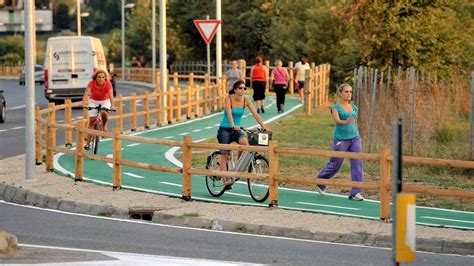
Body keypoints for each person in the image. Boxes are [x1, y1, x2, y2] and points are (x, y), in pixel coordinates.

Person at [315, 84, 365, 201]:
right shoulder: (335, 108)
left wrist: (358, 133)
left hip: (355, 138)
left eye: (350, 92)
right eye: (346, 92)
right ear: (340, 93)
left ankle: (356, 192)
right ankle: (320, 181)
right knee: (336, 163)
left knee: (357, 163)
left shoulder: (354, 107)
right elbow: (337, 121)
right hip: (341, 139)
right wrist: (346, 121)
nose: (349, 94)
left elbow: (355, 122)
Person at [217, 80, 270, 188]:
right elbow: (229, 113)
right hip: (225, 129)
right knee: (225, 154)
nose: (242, 90)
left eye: (244, 88)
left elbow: (255, 114)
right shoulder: (229, 99)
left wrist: (264, 126)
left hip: (236, 129)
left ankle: (237, 167)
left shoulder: (246, 100)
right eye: (240, 88)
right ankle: (225, 180)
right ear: (235, 89)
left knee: (245, 144)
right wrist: (232, 125)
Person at [81, 69, 116, 150]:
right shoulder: (91, 83)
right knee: (91, 122)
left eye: (102, 77)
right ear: (95, 78)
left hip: (105, 101)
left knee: (104, 112)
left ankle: (104, 125)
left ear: (105, 78)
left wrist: (112, 106)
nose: (100, 79)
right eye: (99, 77)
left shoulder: (108, 84)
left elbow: (111, 96)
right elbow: (86, 94)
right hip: (93, 101)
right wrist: (84, 103)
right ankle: (87, 143)